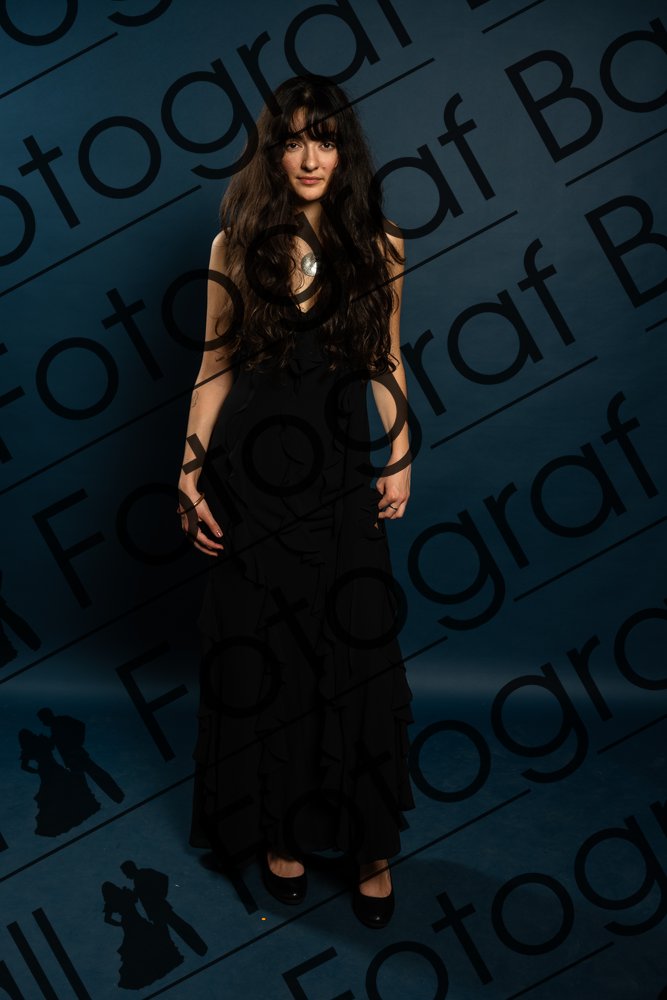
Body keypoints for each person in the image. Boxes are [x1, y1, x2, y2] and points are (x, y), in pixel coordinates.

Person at [177, 75, 415, 929]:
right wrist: (188, 471)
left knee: (357, 647)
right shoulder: (235, 243)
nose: (308, 156)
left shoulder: (379, 243)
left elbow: (386, 359)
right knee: (267, 651)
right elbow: (214, 365)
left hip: (341, 474)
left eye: (325, 138)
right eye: (291, 139)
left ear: (344, 150)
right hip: (251, 475)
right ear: (271, 151)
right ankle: (280, 831)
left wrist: (401, 453)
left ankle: (368, 843)